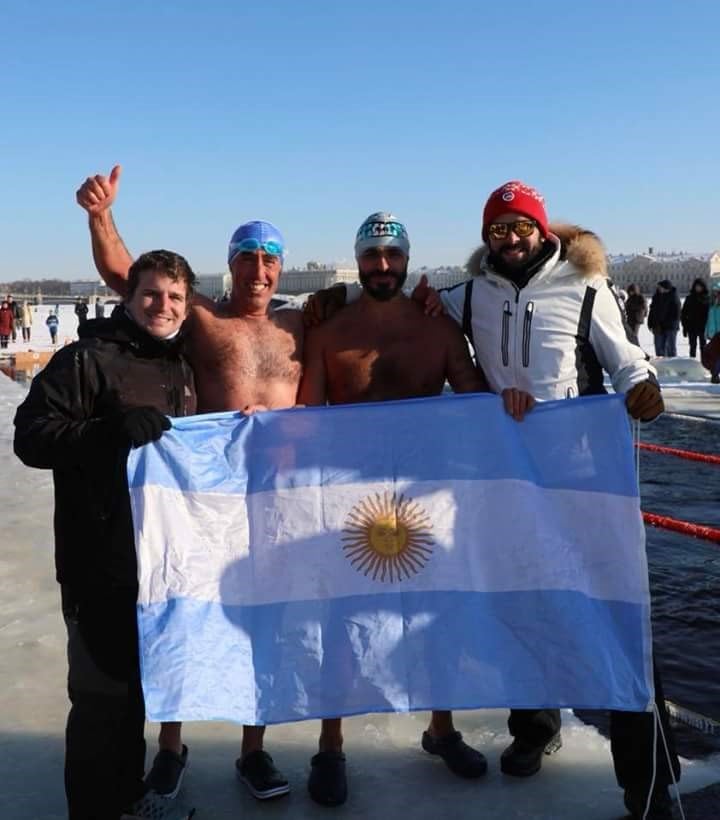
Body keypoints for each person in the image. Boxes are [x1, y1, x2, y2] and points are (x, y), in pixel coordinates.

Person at [308, 182, 680, 820]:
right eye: (497, 230)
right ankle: (535, 728)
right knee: (521, 602)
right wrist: (337, 291)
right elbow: (399, 291)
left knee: (612, 612)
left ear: (541, 229)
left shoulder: (585, 287)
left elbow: (625, 361)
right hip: (506, 477)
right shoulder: (469, 294)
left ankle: (648, 781)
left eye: (519, 227)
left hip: (578, 474)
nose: (509, 238)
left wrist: (642, 385)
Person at [76, 164, 304, 802]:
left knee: (261, 621)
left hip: (274, 495)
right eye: (248, 259)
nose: (259, 270)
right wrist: (101, 216)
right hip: (204, 491)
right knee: (184, 607)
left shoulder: (302, 324)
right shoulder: (204, 317)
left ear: (280, 269)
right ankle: (171, 747)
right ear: (230, 267)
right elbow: (129, 276)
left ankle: (253, 752)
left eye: (269, 260)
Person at [298, 212, 529, 807]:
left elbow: (474, 400)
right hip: (348, 497)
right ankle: (330, 742)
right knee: (341, 622)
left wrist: (509, 398)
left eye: (391, 256)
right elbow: (306, 420)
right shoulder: (329, 331)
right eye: (371, 256)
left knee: (434, 618)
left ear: (406, 261)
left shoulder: (438, 330)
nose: (382, 266)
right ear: (358, 260)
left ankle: (441, 728)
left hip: (424, 497)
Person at [14, 250, 198, 820]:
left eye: (173, 297)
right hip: (98, 560)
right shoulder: (85, 360)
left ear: (187, 306)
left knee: (134, 696)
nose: (161, 306)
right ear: (128, 296)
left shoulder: (182, 366)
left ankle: (127, 798)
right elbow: (31, 437)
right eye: (150, 294)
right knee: (100, 701)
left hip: (156, 564)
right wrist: (106, 431)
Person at [647, 280, 680, 357]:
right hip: (658, 326)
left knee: (670, 348)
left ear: (666, 288)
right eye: (658, 287)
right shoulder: (656, 297)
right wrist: (650, 322)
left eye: (660, 287)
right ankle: (662, 364)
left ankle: (673, 363)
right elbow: (652, 310)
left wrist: (669, 323)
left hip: (670, 327)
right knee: (659, 347)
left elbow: (677, 314)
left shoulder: (673, 296)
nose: (659, 289)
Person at [680, 278, 710, 359]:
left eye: (700, 286)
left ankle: (704, 364)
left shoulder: (707, 298)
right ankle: (692, 363)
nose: (698, 288)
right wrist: (685, 327)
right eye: (697, 286)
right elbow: (683, 313)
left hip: (703, 327)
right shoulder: (689, 298)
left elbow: (709, 313)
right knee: (692, 346)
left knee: (703, 347)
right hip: (691, 326)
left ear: (703, 287)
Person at [704, 283, 720, 383]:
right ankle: (715, 374)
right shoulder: (713, 305)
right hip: (713, 334)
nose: (715, 294)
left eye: (717, 292)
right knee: (715, 356)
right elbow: (709, 320)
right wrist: (707, 332)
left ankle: (715, 374)